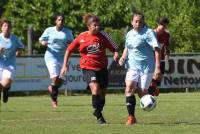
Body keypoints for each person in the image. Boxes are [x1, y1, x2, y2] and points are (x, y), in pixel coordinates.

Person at [60, 13, 119, 124]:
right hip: (88, 67)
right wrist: (64, 66)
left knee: (102, 93)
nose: (97, 27)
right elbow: (69, 50)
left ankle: (98, 111)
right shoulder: (81, 37)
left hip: (102, 68)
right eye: (94, 25)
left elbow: (115, 47)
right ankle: (98, 116)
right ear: (89, 26)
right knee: (95, 87)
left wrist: (115, 53)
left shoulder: (104, 36)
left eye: (98, 25)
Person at [118, 12, 161, 125]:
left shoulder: (148, 33)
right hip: (132, 66)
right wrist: (123, 57)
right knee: (129, 89)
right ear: (132, 22)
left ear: (143, 22)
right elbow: (127, 47)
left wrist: (157, 67)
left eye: (140, 21)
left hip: (147, 66)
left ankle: (152, 90)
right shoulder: (129, 34)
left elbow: (157, 50)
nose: (138, 23)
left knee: (142, 93)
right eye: (136, 21)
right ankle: (131, 117)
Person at [39, 15, 74, 108]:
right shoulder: (49, 30)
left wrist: (69, 44)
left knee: (60, 81)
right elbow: (41, 39)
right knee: (54, 78)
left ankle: (52, 88)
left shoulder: (68, 32)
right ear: (55, 21)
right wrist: (43, 43)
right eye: (59, 20)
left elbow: (73, 43)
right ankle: (54, 100)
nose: (61, 21)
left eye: (62, 20)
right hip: (51, 56)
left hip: (63, 58)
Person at [0, 18, 24, 103]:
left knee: (6, 83)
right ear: (1, 28)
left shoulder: (15, 38)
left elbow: (20, 47)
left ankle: (6, 90)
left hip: (9, 65)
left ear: (10, 28)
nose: (6, 27)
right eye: (5, 26)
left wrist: (18, 52)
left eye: (8, 26)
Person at [148, 17, 170, 96]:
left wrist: (167, 53)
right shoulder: (152, 33)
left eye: (165, 25)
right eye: (162, 25)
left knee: (159, 78)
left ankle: (152, 91)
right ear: (158, 24)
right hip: (152, 59)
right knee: (154, 77)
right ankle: (150, 94)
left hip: (162, 59)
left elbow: (167, 45)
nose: (163, 27)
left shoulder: (166, 35)